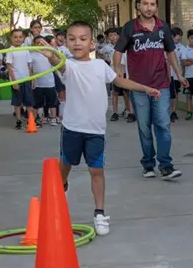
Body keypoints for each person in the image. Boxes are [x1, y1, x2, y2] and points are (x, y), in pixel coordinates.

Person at [38, 21, 161, 235]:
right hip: (72, 129)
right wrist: (51, 56)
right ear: (66, 41)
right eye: (72, 39)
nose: (77, 43)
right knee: (64, 167)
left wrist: (145, 88)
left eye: (83, 39)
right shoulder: (67, 66)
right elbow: (59, 61)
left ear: (92, 43)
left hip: (95, 131)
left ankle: (100, 213)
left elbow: (121, 82)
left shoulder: (100, 66)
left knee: (96, 170)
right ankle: (62, 188)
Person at [114, 0, 188, 180]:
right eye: (145, 4)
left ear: (156, 6)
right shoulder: (130, 27)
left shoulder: (163, 27)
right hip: (138, 87)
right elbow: (118, 51)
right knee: (145, 127)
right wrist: (117, 69)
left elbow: (171, 52)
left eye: (152, 4)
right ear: (138, 5)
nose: (149, 8)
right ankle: (148, 163)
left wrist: (178, 74)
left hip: (161, 85)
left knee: (163, 125)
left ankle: (166, 166)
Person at [5, 29, 34, 130]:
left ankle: (30, 121)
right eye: (15, 37)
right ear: (11, 39)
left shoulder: (25, 49)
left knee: (29, 102)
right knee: (17, 102)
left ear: (23, 39)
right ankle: (18, 120)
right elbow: (9, 67)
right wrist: (14, 81)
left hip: (26, 79)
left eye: (20, 37)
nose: (18, 39)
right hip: (17, 80)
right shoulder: (10, 50)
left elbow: (29, 65)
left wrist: (32, 79)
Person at [30, 35, 59, 126]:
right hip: (38, 84)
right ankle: (34, 120)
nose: (39, 44)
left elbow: (57, 60)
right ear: (33, 44)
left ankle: (53, 118)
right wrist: (32, 80)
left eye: (41, 43)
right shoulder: (31, 55)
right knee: (36, 103)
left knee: (52, 102)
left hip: (49, 83)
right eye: (37, 43)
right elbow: (30, 69)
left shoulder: (49, 54)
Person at [169, 27, 183, 122]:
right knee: (166, 94)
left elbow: (183, 62)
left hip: (177, 75)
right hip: (167, 74)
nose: (178, 39)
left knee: (175, 94)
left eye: (179, 38)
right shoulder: (166, 46)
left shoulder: (182, 48)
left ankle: (173, 112)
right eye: (176, 38)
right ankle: (166, 111)